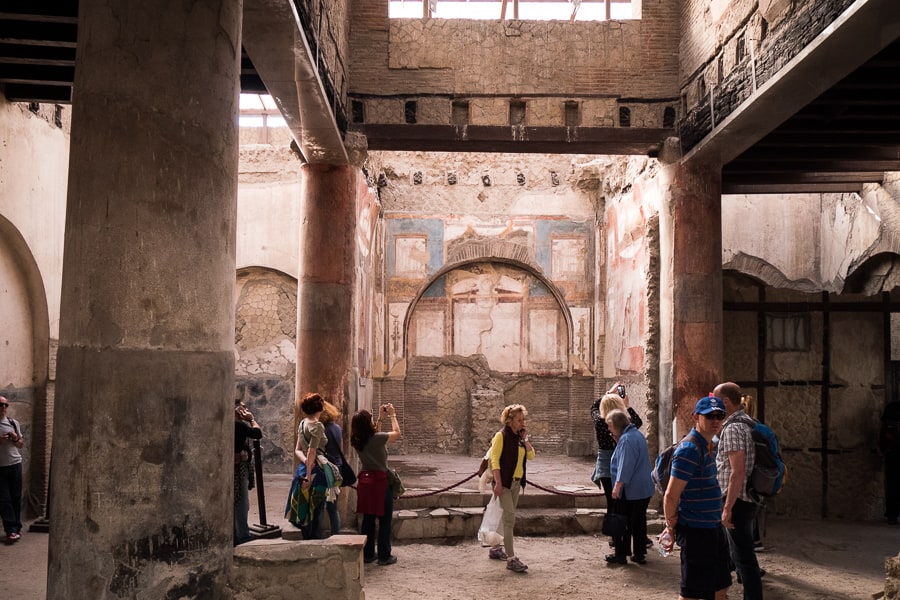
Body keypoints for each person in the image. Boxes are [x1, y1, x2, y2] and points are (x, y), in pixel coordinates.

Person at [660, 395, 732, 600]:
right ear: (696, 417)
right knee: (691, 592)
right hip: (696, 531)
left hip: (712, 527)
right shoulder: (689, 450)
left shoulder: (710, 444)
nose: (715, 420)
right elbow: (671, 496)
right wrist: (670, 528)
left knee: (720, 587)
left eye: (720, 415)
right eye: (709, 416)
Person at [714, 382, 763, 600]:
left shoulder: (733, 428)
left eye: (715, 400)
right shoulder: (750, 422)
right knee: (736, 553)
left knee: (744, 557)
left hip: (737, 500)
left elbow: (737, 471)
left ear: (725, 402)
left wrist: (727, 508)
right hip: (747, 496)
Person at [590, 385, 649, 548]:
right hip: (623, 464)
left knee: (612, 502)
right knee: (624, 504)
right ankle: (630, 538)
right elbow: (638, 421)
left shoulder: (599, 421)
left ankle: (616, 536)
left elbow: (594, 406)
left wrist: (608, 392)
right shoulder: (625, 425)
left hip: (606, 464)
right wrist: (627, 405)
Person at [486, 403, 535, 574]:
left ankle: (495, 548)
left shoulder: (519, 438)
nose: (523, 423)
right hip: (504, 483)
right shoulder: (501, 436)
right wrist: (498, 483)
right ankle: (511, 558)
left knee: (506, 516)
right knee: (509, 519)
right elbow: (494, 461)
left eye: (523, 420)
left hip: (516, 483)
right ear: (509, 420)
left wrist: (525, 439)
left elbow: (531, 455)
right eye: (519, 420)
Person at [350, 404, 401, 565]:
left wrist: (380, 417)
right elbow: (397, 433)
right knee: (385, 520)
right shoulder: (377, 439)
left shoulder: (357, 439)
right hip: (380, 482)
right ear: (367, 423)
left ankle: (368, 554)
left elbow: (373, 433)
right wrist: (392, 415)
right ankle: (384, 555)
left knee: (368, 519)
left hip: (365, 483)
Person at [286, 392, 339, 539]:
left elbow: (298, 450)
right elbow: (312, 451)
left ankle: (307, 541)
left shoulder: (303, 423)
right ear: (320, 407)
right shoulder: (317, 426)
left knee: (305, 509)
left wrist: (306, 464)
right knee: (316, 510)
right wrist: (310, 474)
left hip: (303, 469)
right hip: (316, 472)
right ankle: (315, 543)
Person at [605, 408, 655, 565]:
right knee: (639, 522)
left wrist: (618, 486)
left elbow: (625, 465)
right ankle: (639, 553)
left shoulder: (627, 439)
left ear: (615, 424)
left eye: (609, 426)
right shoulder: (636, 435)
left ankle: (620, 554)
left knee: (623, 522)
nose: (608, 430)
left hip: (631, 490)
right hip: (643, 489)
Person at [233, 399, 263, 545]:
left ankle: (234, 534)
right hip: (239, 469)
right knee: (241, 502)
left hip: (235, 467)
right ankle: (243, 535)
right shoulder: (238, 425)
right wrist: (251, 419)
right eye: (242, 406)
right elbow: (257, 433)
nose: (245, 408)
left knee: (234, 501)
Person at [0, 396, 25, 543]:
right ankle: (11, 530)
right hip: (0, 468)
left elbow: (21, 444)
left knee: (15, 497)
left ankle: (16, 528)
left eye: (5, 405)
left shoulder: (13, 423)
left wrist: (15, 438)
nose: (3, 408)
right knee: (4, 500)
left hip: (15, 464)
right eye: (1, 405)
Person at [321, 400, 345, 536]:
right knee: (333, 506)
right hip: (337, 467)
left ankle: (317, 535)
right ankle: (335, 534)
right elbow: (340, 449)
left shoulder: (321, 429)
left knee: (319, 505)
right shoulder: (337, 428)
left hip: (325, 468)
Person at [879, 401, 900, 525]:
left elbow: (883, 431)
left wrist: (882, 449)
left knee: (892, 484)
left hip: (893, 455)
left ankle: (892, 515)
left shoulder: (891, 407)